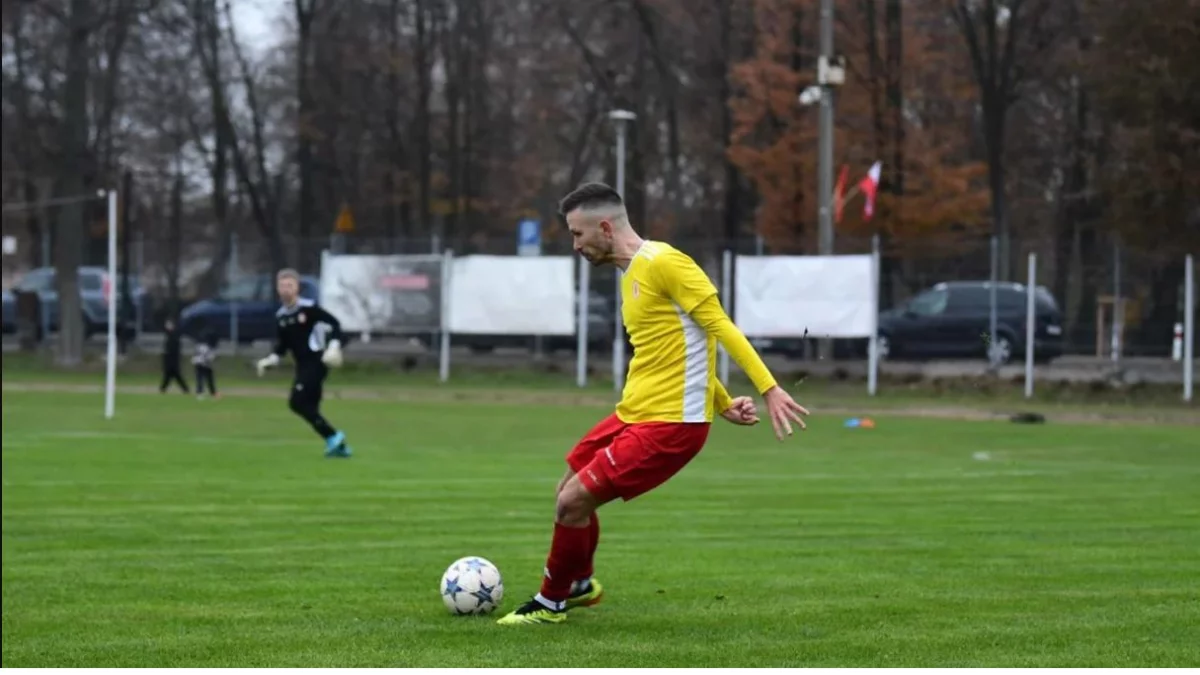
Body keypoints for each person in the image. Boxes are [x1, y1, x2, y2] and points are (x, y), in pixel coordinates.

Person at [496, 182, 809, 626]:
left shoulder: (666, 263)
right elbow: (678, 350)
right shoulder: (630, 277)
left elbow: (720, 327)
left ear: (606, 228)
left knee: (571, 502)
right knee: (567, 490)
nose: (576, 245)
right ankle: (580, 583)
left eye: (578, 234)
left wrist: (769, 388)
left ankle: (550, 604)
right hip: (633, 413)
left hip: (671, 424)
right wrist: (721, 401)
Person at [254, 268, 351, 458]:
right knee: (310, 407)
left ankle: (333, 436)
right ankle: (339, 447)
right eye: (282, 286)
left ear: (297, 288)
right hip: (302, 365)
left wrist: (333, 346)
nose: (285, 290)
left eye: (289, 285)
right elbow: (282, 346)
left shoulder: (309, 308)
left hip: (317, 362)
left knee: (296, 402)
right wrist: (270, 360)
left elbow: (335, 323)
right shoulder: (281, 316)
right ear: (277, 289)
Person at [159, 319, 190, 394]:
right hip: (169, 358)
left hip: (173, 358)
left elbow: (174, 347)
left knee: (174, 374)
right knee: (169, 375)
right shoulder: (168, 335)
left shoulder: (174, 335)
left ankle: (185, 389)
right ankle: (163, 388)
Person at [193, 331, 219, 399]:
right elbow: (210, 357)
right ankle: (213, 393)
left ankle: (199, 393)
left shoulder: (198, 346)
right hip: (205, 364)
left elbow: (195, 355)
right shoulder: (208, 346)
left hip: (198, 363)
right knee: (209, 378)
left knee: (199, 378)